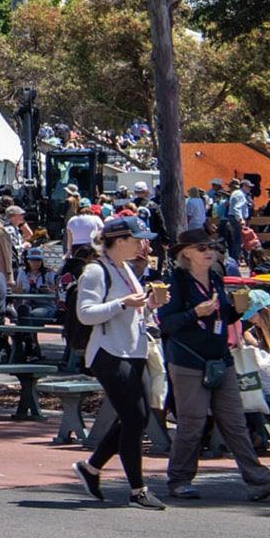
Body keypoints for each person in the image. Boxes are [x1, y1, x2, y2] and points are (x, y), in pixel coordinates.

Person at [158, 228, 270, 501]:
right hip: (188, 360)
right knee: (192, 422)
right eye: (201, 248)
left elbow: (223, 316)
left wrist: (237, 310)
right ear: (185, 253)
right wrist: (194, 312)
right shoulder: (176, 283)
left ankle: (258, 479)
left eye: (212, 247)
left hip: (220, 357)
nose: (209, 252)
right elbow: (167, 323)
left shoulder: (216, 279)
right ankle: (179, 479)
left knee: (235, 421)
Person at [71, 216, 167, 510]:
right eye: (137, 239)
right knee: (135, 418)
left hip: (132, 350)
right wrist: (124, 303)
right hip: (109, 353)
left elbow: (131, 310)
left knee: (133, 418)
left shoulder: (124, 268)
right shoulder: (95, 271)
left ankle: (91, 468)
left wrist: (149, 305)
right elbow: (85, 314)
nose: (143, 244)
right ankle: (137, 490)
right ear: (120, 240)